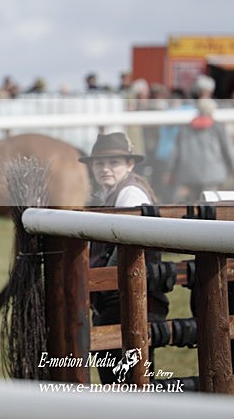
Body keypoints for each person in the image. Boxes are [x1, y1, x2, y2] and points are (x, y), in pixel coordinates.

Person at [79, 132, 169, 384]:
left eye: (113, 163)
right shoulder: (113, 194)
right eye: (99, 163)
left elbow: (125, 251)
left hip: (127, 300)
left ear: (129, 164)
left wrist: (98, 285)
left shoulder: (130, 195)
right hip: (120, 298)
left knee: (124, 380)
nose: (105, 169)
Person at [167, 98, 234, 202]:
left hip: (190, 174)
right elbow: (228, 150)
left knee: (193, 205)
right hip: (213, 174)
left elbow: (175, 152)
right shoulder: (218, 127)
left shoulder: (185, 128)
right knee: (210, 204)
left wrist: (170, 171)